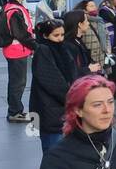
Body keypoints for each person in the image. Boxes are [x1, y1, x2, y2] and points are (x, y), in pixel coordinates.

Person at [30, 19, 86, 153]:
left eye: (62, 35)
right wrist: (73, 99)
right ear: (45, 35)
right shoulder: (43, 51)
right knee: (53, 154)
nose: (60, 39)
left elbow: (73, 74)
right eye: (56, 35)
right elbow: (52, 81)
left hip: (62, 111)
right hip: (50, 111)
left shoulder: (64, 49)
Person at [3, 0, 36, 122]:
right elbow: (21, 33)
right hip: (17, 50)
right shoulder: (16, 10)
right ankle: (15, 111)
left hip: (15, 50)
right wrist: (35, 45)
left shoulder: (10, 7)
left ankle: (15, 109)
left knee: (16, 81)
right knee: (18, 82)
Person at [62, 9, 103, 75]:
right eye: (86, 21)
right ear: (80, 24)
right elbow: (71, 70)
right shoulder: (69, 45)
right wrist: (89, 69)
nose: (88, 23)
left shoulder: (78, 40)